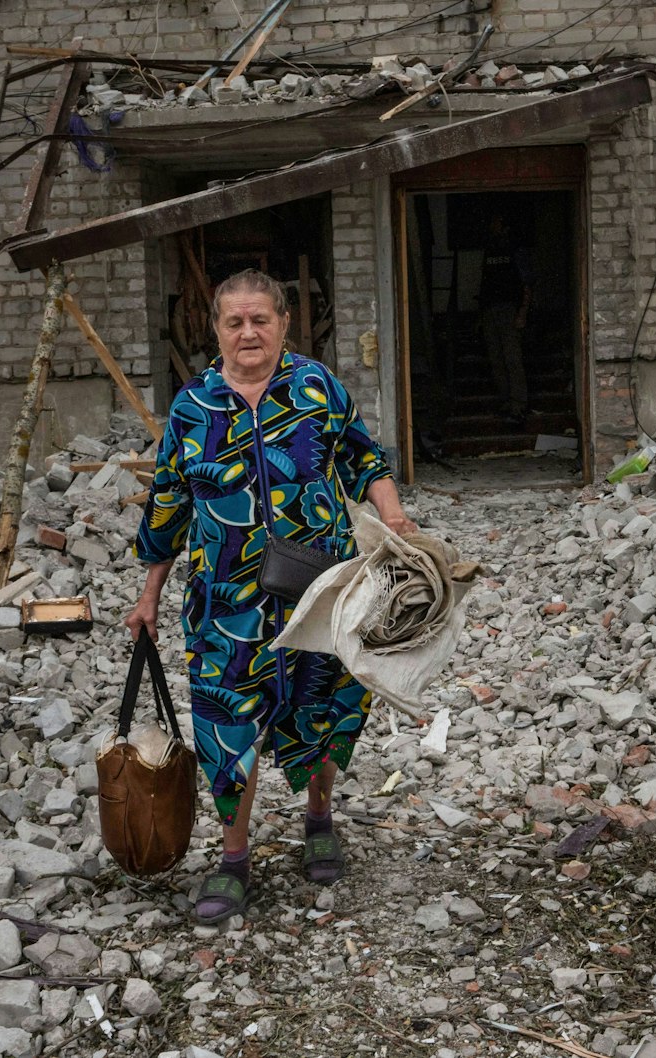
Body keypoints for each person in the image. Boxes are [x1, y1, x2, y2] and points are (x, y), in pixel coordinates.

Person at [124, 269, 418, 925]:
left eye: (261, 319)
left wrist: (394, 519)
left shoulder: (317, 389)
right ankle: (233, 860)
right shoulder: (193, 409)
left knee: (322, 707)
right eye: (235, 322)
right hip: (226, 605)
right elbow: (167, 505)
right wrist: (149, 595)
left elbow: (366, 461)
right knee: (228, 728)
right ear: (217, 331)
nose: (248, 332)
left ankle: (318, 817)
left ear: (284, 324)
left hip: (321, 592)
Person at [477, 212, 534, 424]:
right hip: (490, 308)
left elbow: (527, 283)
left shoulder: (515, 249)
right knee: (496, 358)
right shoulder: (490, 250)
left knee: (512, 358)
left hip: (509, 308)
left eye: (497, 221)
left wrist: (522, 312)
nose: (493, 225)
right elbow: (484, 281)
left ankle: (518, 405)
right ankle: (505, 402)